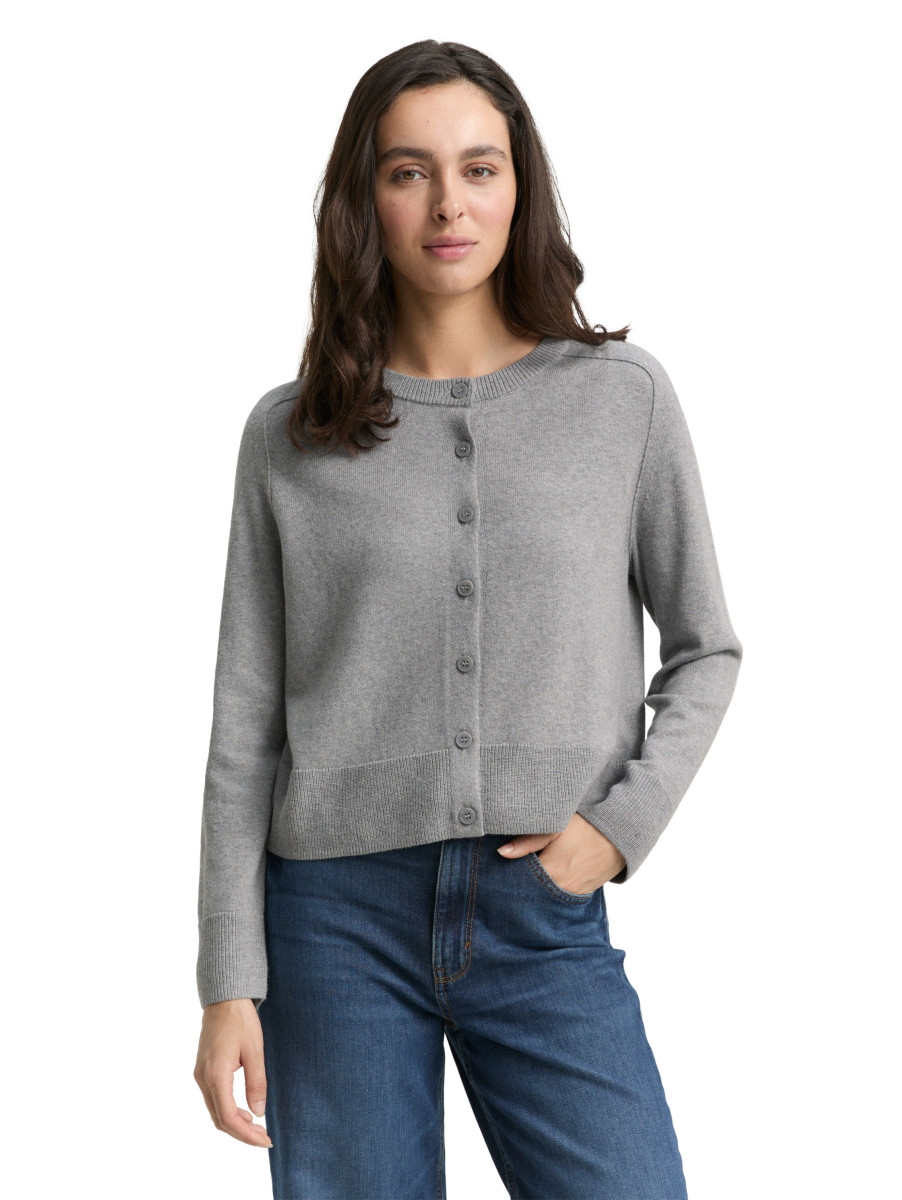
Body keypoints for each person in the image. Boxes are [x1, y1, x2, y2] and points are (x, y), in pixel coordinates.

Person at [193, 38, 743, 1200]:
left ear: (517, 187)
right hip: (331, 923)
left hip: (542, 907)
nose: (448, 203)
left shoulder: (619, 400)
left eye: (478, 168)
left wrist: (614, 831)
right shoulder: (289, 435)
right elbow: (246, 721)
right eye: (409, 171)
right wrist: (227, 979)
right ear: (365, 202)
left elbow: (705, 650)